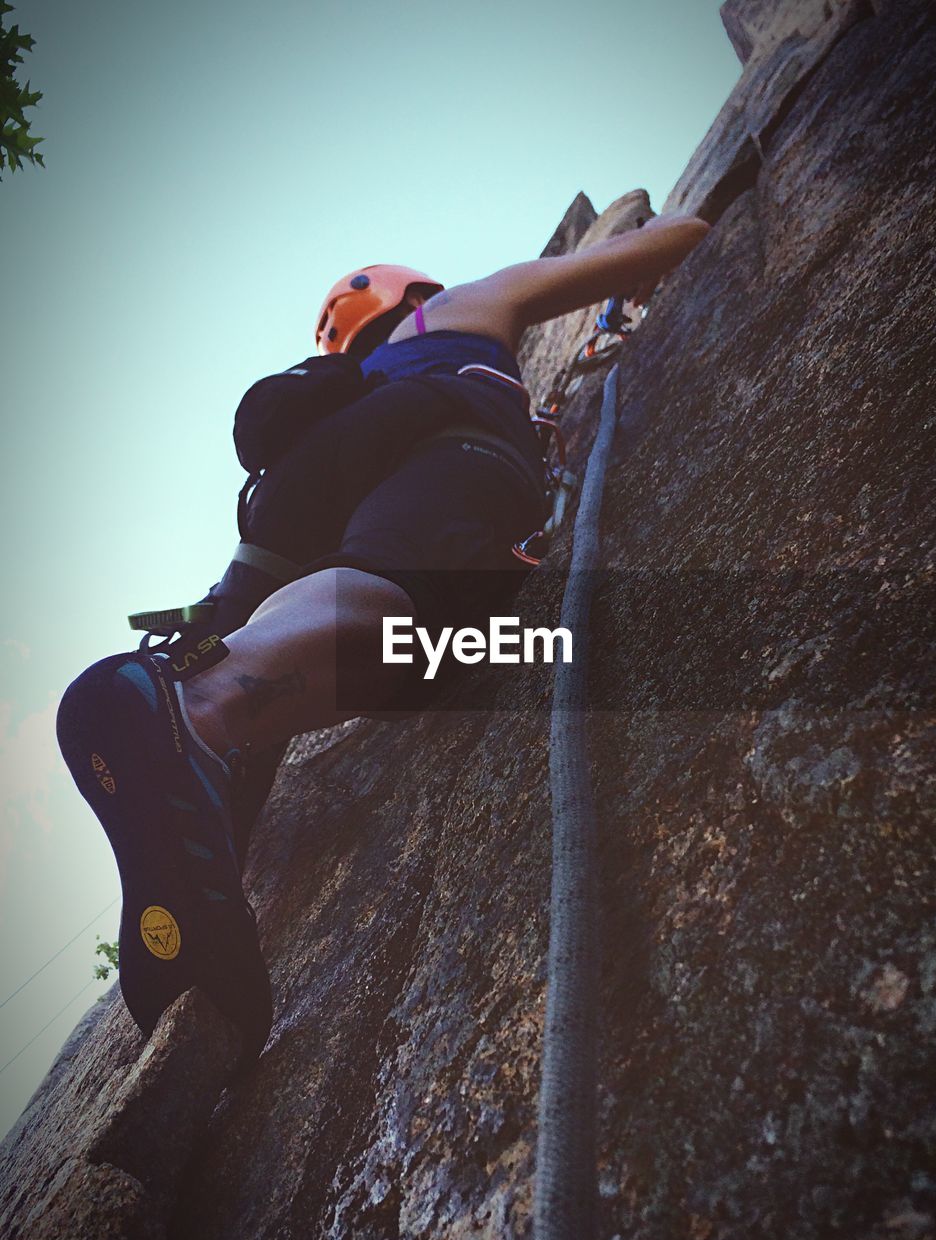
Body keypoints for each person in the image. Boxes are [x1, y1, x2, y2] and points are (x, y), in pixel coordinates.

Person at [57, 213, 710, 1064]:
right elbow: (677, 237)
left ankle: (204, 760)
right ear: (408, 292)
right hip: (443, 425)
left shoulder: (343, 379)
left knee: (267, 634)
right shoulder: (454, 313)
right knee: (422, 617)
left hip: (290, 497)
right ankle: (202, 702)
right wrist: (660, 240)